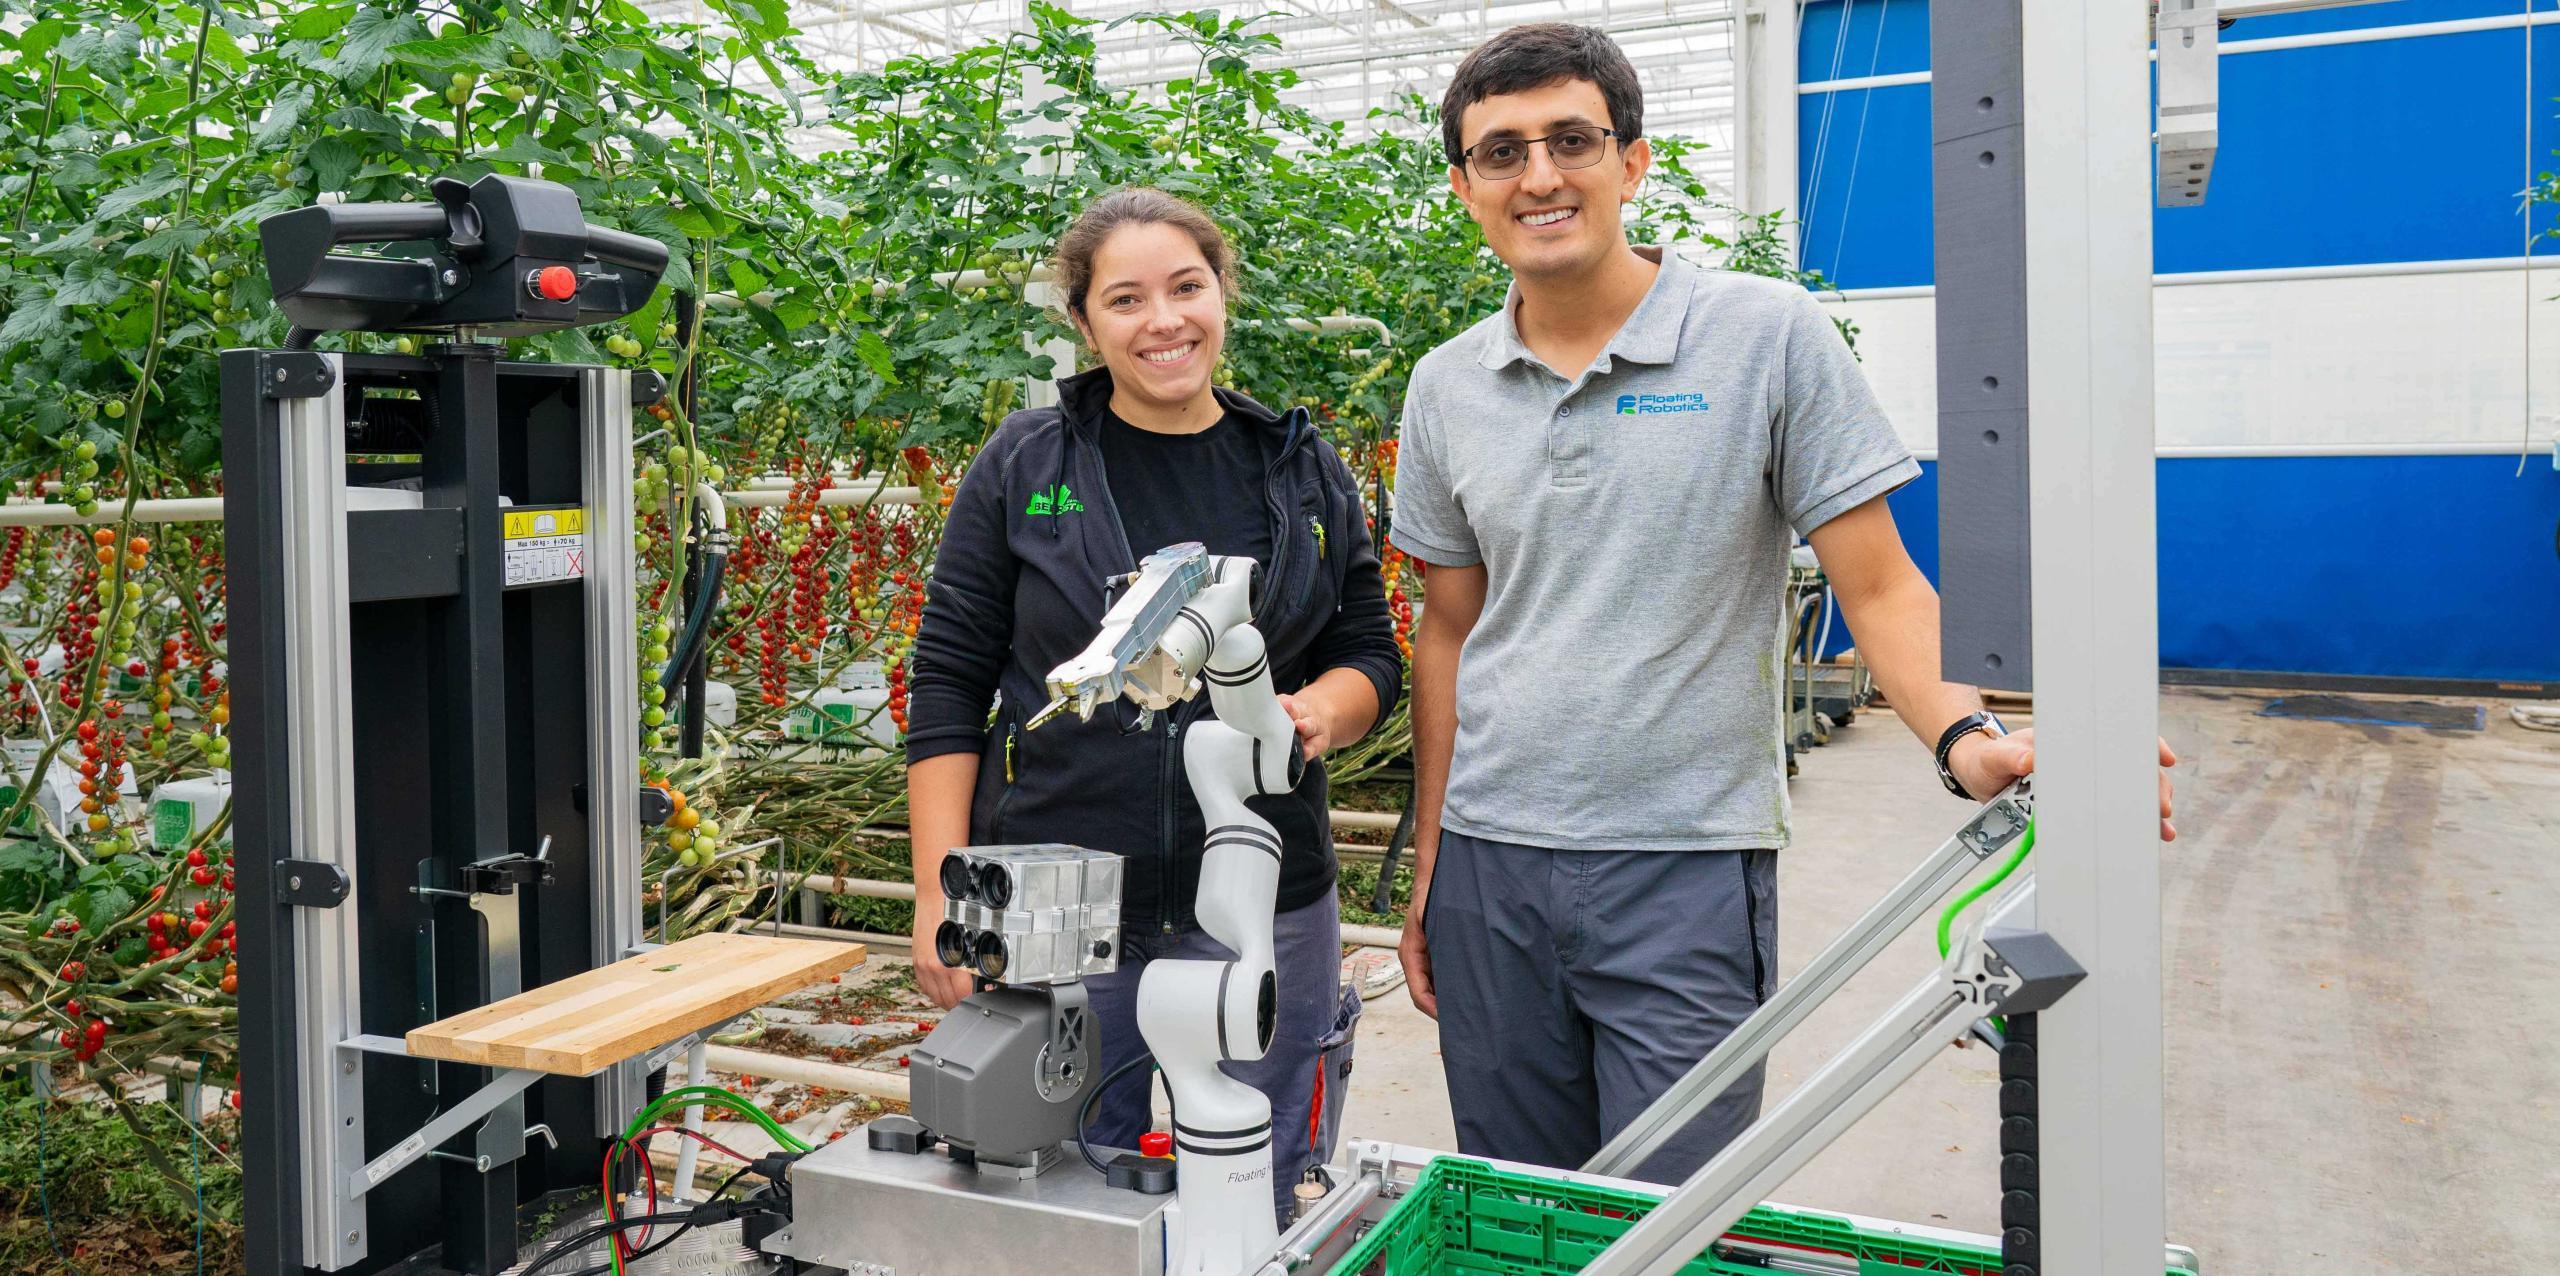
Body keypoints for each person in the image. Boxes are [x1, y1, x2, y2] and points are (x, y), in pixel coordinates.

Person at [1388, 24, 2179, 1184]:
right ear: (1465, 187)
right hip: (1492, 866)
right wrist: (1429, 873)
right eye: (1501, 153)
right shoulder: (1446, 383)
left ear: (1634, 161)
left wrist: (1967, 739)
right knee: (1516, 1209)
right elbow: (1449, 632)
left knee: (1676, 1214)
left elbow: (1878, 583)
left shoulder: (1763, 334)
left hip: (1685, 865)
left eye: (1572, 140)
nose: (1540, 176)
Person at [903, 187, 1403, 1217]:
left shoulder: (1302, 469)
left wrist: (1320, 710)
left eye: (1187, 287)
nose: (1164, 320)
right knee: (1064, 1181)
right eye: (1124, 299)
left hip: (1264, 895)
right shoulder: (1025, 464)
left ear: (1224, 294)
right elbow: (950, 677)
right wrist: (935, 894)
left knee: (1254, 1176)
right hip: (1062, 898)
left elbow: (1369, 651)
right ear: (1084, 324)